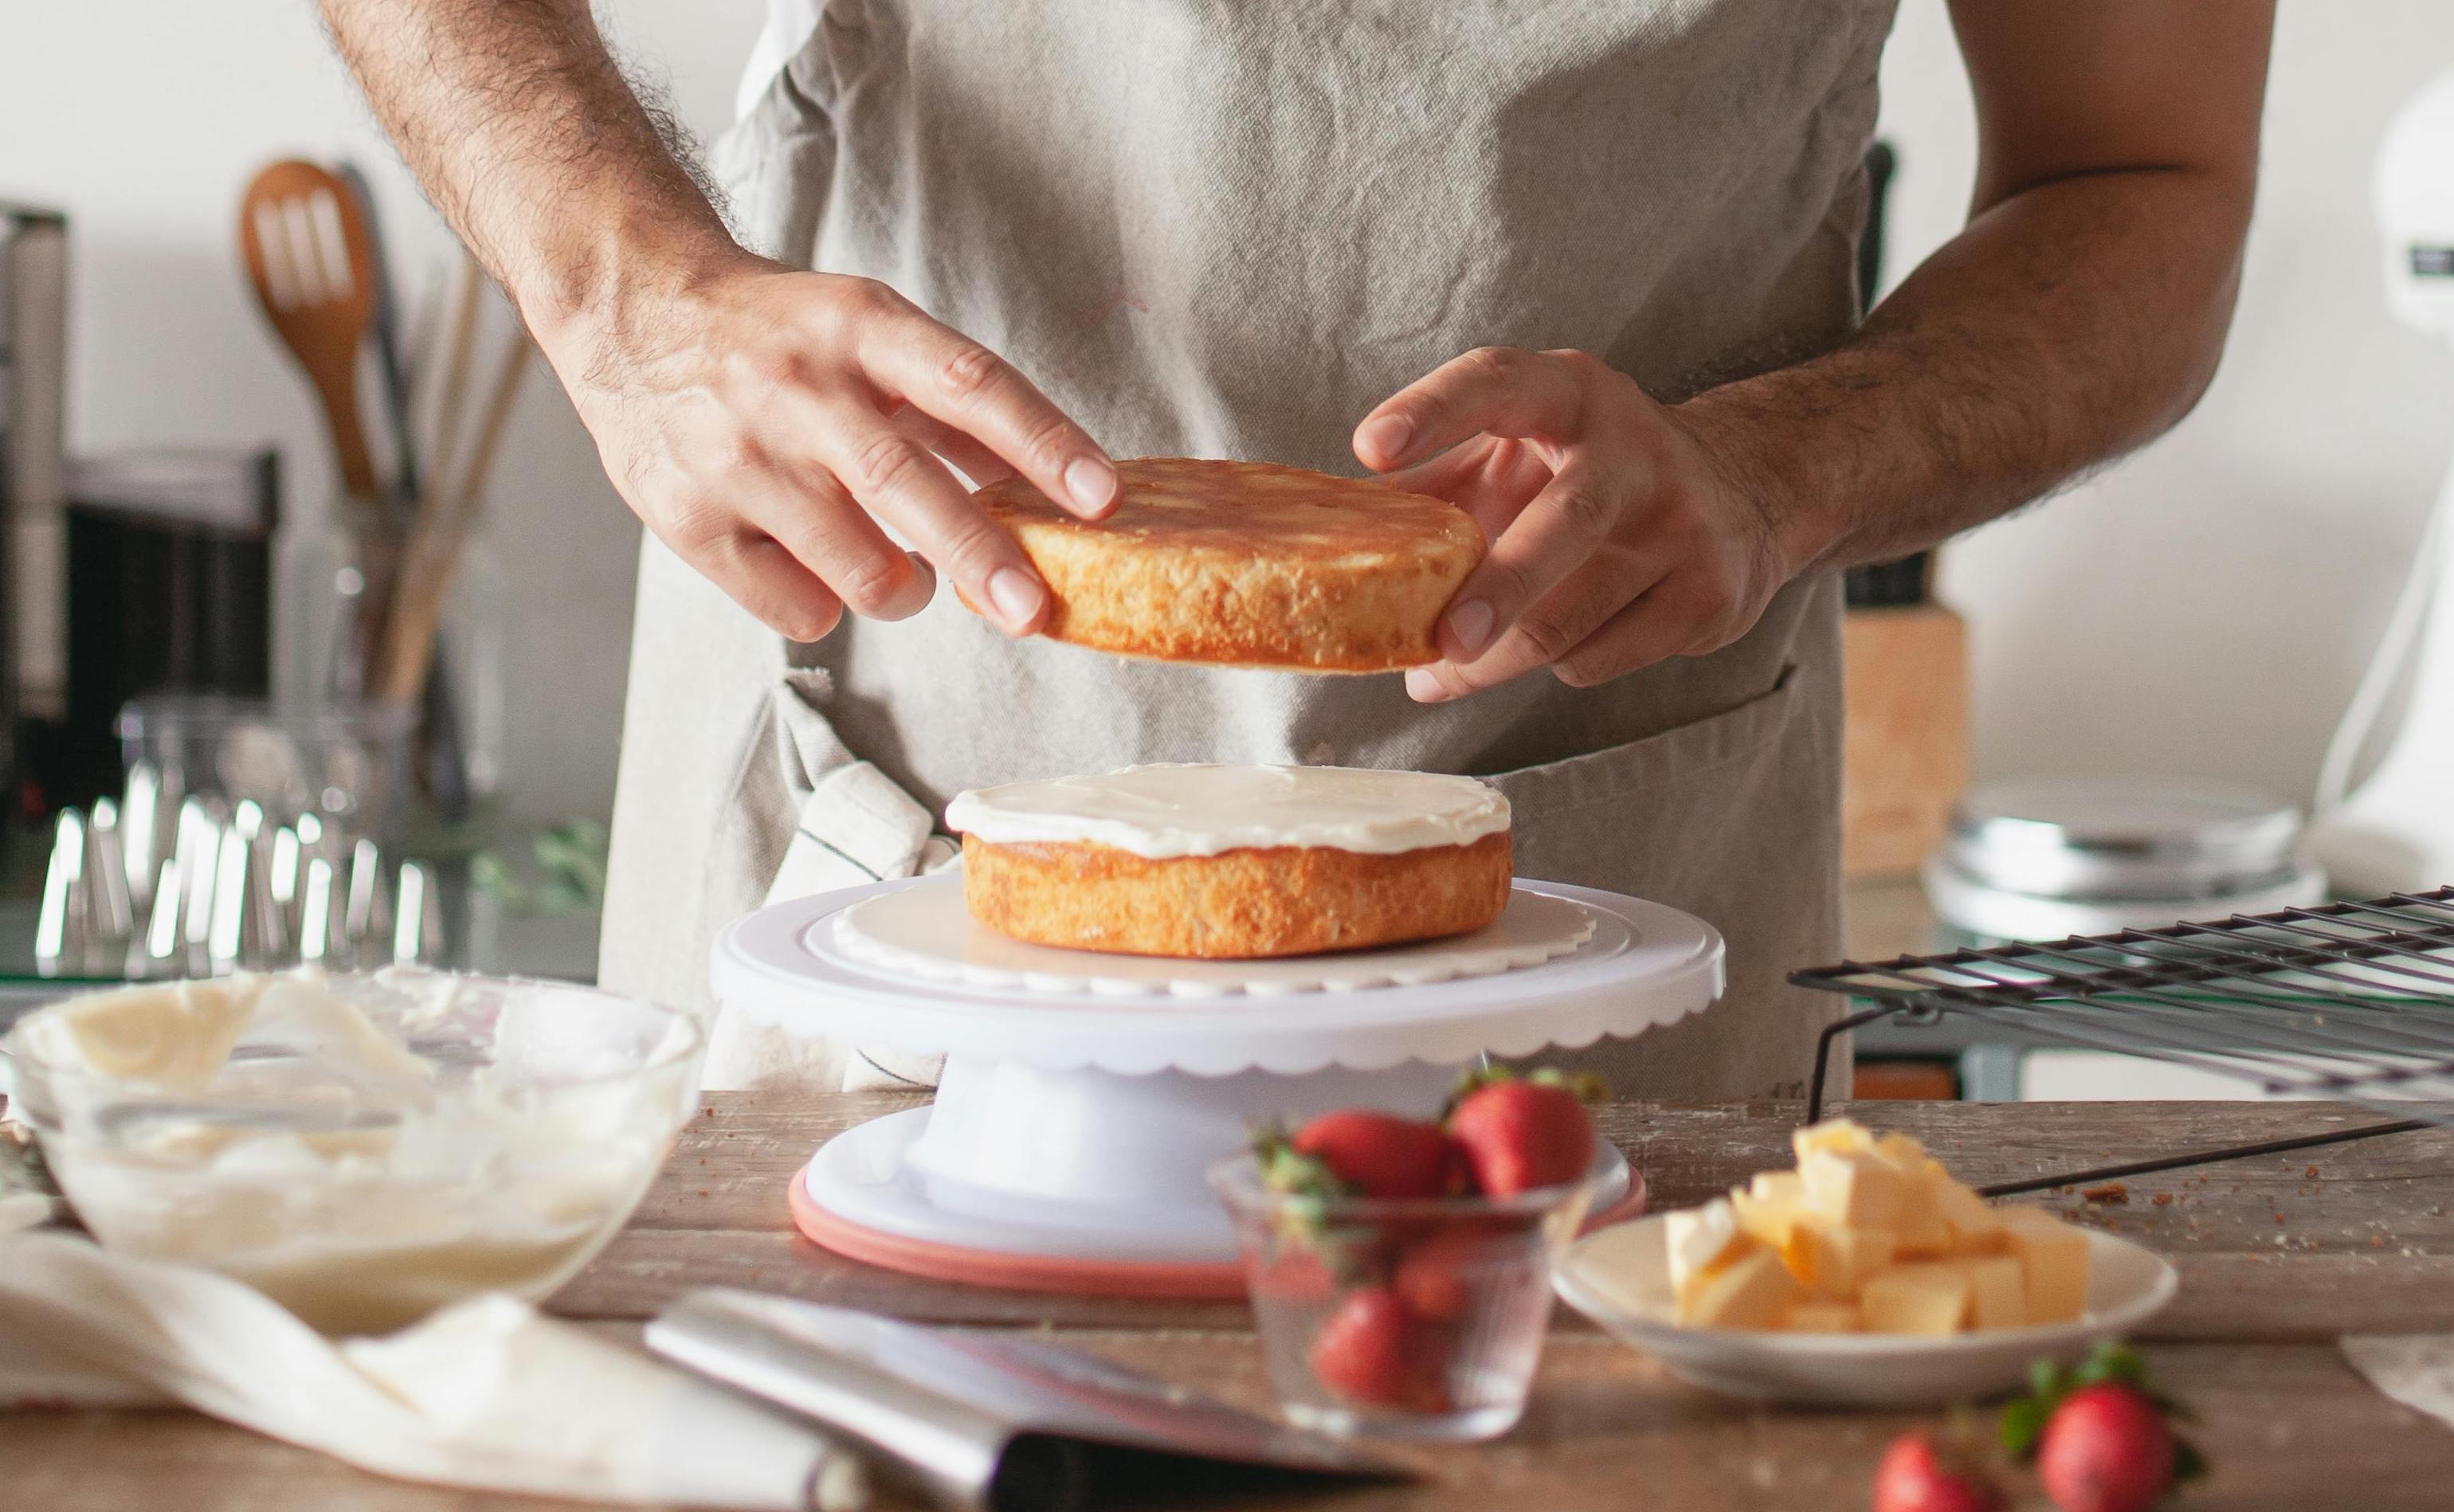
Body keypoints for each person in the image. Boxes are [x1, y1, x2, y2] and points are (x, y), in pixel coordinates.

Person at [323, 1, 2273, 1097]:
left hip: (1607, 872)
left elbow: (2141, 179)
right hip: (894, 785)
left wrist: (1780, 469)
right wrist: (624, 296)